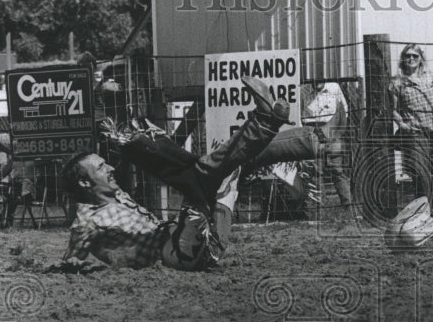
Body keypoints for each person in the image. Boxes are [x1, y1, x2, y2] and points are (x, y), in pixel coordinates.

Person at [56, 75, 290, 271]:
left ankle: (269, 125)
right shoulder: (87, 219)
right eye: (100, 167)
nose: (108, 168)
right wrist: (83, 264)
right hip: (179, 252)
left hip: (190, 238)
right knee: (205, 173)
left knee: (219, 171)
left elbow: (122, 155)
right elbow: (71, 260)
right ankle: (271, 126)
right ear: (85, 183)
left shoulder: (116, 195)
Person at [389, 43, 433, 213]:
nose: (411, 59)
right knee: (420, 172)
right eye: (408, 56)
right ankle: (424, 209)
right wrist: (402, 124)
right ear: (403, 59)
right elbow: (393, 109)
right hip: (416, 131)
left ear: (420, 58)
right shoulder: (397, 82)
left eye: (415, 56)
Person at [300, 80, 353, 213]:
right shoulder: (302, 90)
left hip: (331, 131)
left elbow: (344, 111)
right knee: (315, 172)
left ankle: (348, 207)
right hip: (311, 131)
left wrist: (336, 132)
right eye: (313, 77)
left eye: (320, 77)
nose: (317, 80)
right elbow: (298, 114)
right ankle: (318, 208)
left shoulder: (334, 87)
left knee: (338, 170)